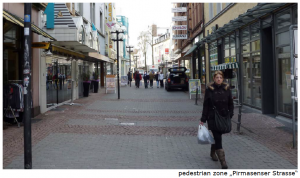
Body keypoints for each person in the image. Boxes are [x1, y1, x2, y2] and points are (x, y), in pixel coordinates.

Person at [200, 70, 234, 169]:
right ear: (214, 79)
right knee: (218, 137)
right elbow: (206, 105)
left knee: (217, 137)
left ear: (223, 79)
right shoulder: (209, 89)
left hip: (223, 116)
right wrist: (203, 118)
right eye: (217, 77)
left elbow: (230, 103)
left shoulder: (227, 89)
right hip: (213, 117)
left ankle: (212, 152)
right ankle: (223, 162)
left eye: (220, 77)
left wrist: (230, 114)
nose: (218, 79)